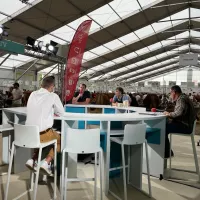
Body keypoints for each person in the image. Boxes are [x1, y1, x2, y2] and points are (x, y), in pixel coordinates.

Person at [25, 76, 64, 175]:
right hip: (41, 135)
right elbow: (61, 112)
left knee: (44, 139)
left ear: (42, 85)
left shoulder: (32, 94)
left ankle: (33, 159)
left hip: (28, 134)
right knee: (61, 139)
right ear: (52, 86)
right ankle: (46, 162)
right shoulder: (53, 96)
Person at [164, 85, 196, 158]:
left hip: (185, 126)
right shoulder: (184, 97)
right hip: (187, 124)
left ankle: (166, 153)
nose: (170, 95)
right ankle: (168, 152)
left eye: (170, 93)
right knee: (165, 125)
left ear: (174, 92)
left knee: (163, 129)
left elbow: (178, 113)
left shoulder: (181, 99)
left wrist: (168, 114)